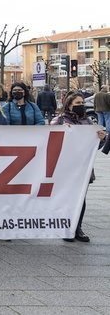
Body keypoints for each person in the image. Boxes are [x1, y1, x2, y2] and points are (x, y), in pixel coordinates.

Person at [51, 92, 107, 242]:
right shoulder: (59, 120)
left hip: (83, 166)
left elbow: (94, 145)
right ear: (69, 105)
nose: (81, 106)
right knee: (68, 197)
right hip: (66, 166)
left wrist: (102, 139)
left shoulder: (88, 122)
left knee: (81, 197)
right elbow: (50, 139)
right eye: (77, 104)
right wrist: (60, 131)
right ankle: (66, 227)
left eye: (82, 103)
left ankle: (78, 228)